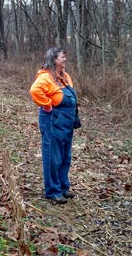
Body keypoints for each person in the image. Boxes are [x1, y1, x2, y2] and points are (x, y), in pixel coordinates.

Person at [29, 47, 81, 204]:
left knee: (65, 156)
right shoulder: (45, 77)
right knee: (53, 156)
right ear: (53, 60)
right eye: (61, 57)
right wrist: (46, 104)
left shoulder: (64, 76)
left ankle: (63, 187)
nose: (65, 59)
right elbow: (34, 90)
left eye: (65, 56)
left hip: (67, 121)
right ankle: (52, 191)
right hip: (53, 119)